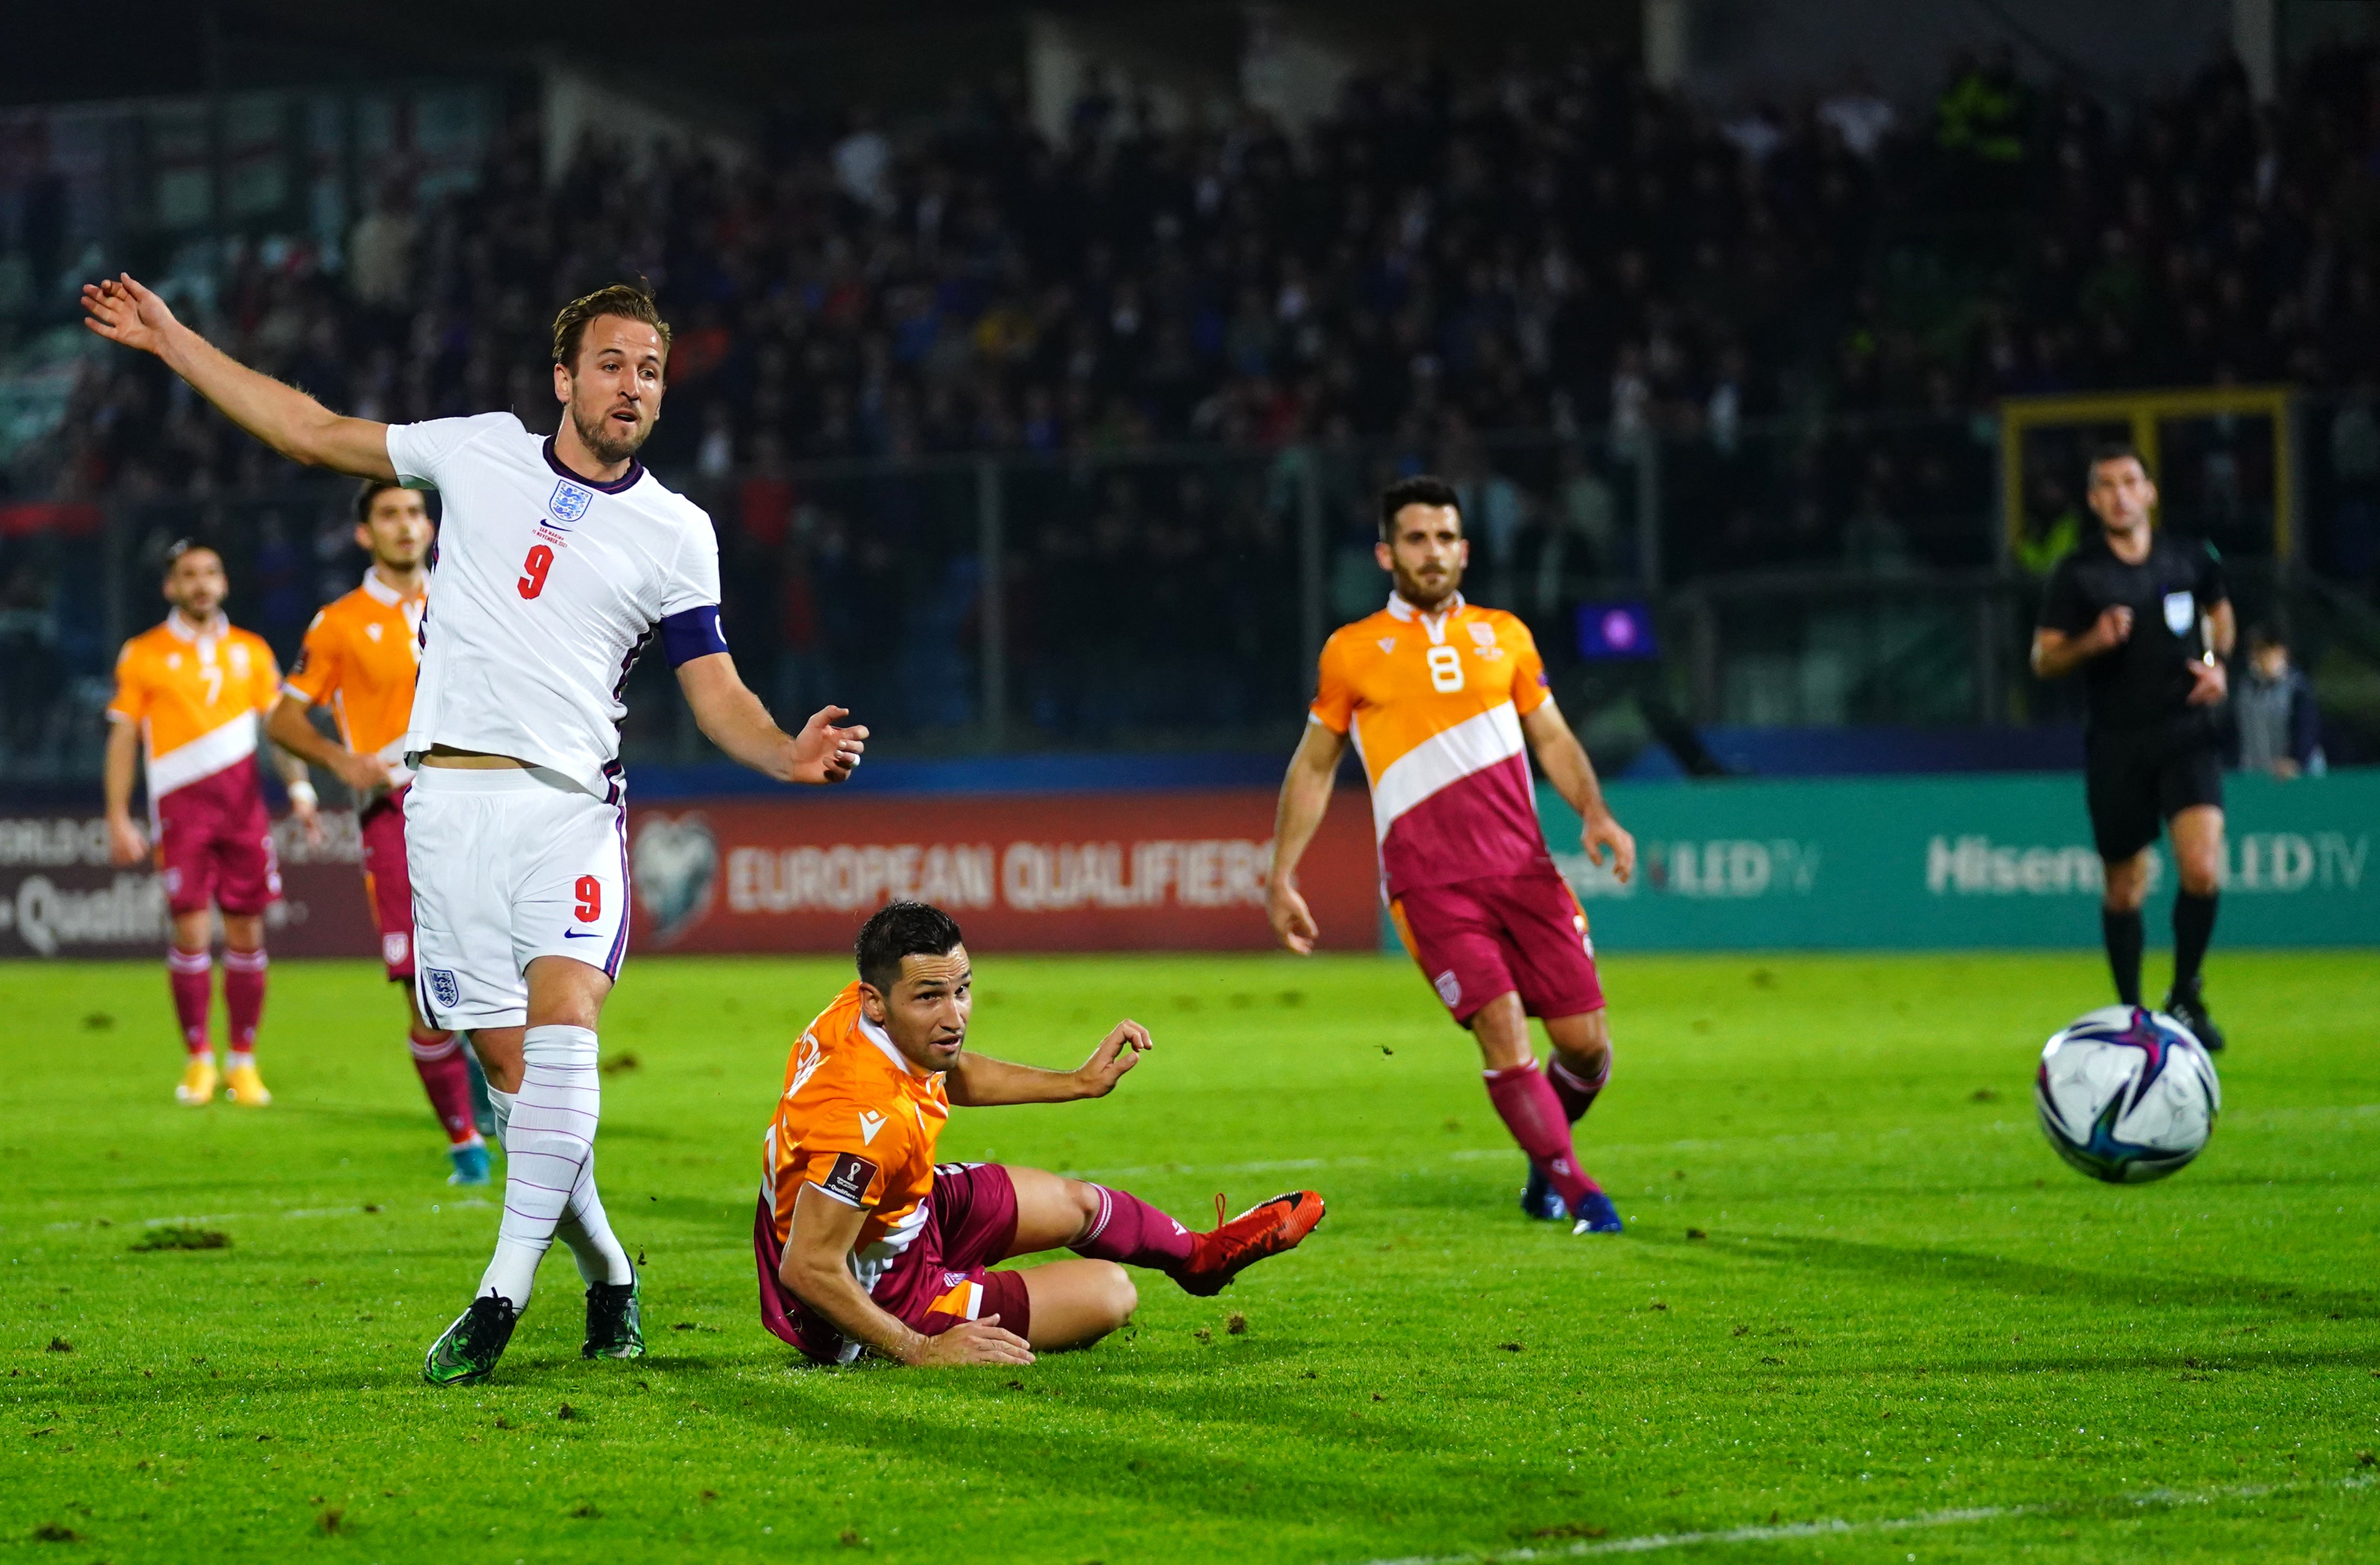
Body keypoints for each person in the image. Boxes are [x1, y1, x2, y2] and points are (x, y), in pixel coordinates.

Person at [82, 273, 868, 1385]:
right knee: (518, 1078)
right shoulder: (478, 451)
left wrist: (782, 746)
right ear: (563, 377)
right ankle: (608, 1275)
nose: (631, 385)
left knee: (564, 1025)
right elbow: (308, 430)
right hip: (441, 809)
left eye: (648, 369)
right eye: (610, 363)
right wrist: (173, 341)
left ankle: (497, 1294)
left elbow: (716, 689)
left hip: (566, 809)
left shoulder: (678, 531)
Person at [1265, 475, 1638, 1235]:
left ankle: (1545, 1159)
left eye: (1443, 538)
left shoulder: (1506, 635)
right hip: (1430, 884)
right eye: (1414, 539)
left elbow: (1554, 736)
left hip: (1526, 871)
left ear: (1465, 551)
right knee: (1501, 1026)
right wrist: (1280, 872)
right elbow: (1313, 765)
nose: (1431, 553)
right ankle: (1581, 1192)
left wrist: (1594, 812)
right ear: (1385, 553)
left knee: (1586, 1047)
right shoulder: (1353, 652)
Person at [756, 901, 1325, 1366]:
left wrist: (1076, 1082)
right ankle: (925, 1313)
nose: (954, 1016)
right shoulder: (864, 1123)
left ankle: (1202, 1258)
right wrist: (921, 1349)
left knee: (1074, 1202)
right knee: (1111, 1292)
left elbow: (948, 1070)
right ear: (878, 1002)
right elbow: (807, 1267)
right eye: (930, 997)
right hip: (878, 1288)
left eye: (962, 989)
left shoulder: (857, 1013)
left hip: (899, 1214)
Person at [266, 480, 492, 1186]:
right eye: (389, 515)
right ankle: (465, 1143)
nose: (405, 526)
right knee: (424, 988)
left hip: (484, 801)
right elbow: (284, 719)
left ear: (431, 526)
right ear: (365, 534)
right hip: (396, 812)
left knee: (509, 965)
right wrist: (341, 762)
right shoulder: (338, 622)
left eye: (415, 513)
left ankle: (501, 1101)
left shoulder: (471, 600)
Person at [104, 540, 322, 1106]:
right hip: (182, 818)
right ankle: (199, 1059)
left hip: (243, 815)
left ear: (224, 583)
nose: (200, 584)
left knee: (249, 936)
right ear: (170, 587)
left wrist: (299, 789)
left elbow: (278, 726)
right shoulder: (143, 653)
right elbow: (124, 735)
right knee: (192, 935)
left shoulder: (250, 651)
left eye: (210, 573)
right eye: (188, 575)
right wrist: (117, 814)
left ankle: (243, 1062)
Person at [2032, 445, 2235, 1049]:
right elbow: (2043, 657)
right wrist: (2090, 640)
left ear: (2148, 492)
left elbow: (2220, 617)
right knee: (2123, 886)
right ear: (2093, 501)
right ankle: (2131, 1015)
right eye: (2106, 486)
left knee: (2199, 868)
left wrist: (2215, 665)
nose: (2119, 494)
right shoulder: (2077, 573)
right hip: (2118, 742)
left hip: (2186, 733)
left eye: (2129, 482)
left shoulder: (2189, 557)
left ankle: (2186, 994)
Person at [2233, 626, 2324, 779]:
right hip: (2258, 776)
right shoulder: (2245, 690)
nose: (2259, 658)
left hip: (2300, 775)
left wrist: (2295, 761)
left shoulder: (2297, 687)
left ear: (2281, 652)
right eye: (2255, 651)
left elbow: (2307, 728)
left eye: (2265, 651)